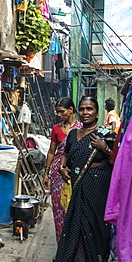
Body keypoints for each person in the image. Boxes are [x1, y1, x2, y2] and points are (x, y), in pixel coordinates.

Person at [51, 96, 116, 262]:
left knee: (99, 229)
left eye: (89, 109)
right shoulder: (73, 135)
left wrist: (105, 148)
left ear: (97, 113)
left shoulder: (106, 134)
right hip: (77, 186)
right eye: (82, 109)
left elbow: (118, 160)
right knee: (77, 230)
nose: (85, 112)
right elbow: (65, 155)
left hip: (99, 185)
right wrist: (62, 168)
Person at [42, 97, 82, 245]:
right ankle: (61, 249)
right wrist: (46, 173)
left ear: (71, 109)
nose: (59, 115)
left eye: (62, 111)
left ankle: (75, 248)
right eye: (57, 112)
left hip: (76, 172)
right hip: (58, 174)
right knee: (59, 211)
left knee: (74, 211)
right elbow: (52, 152)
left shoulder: (81, 128)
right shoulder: (56, 129)